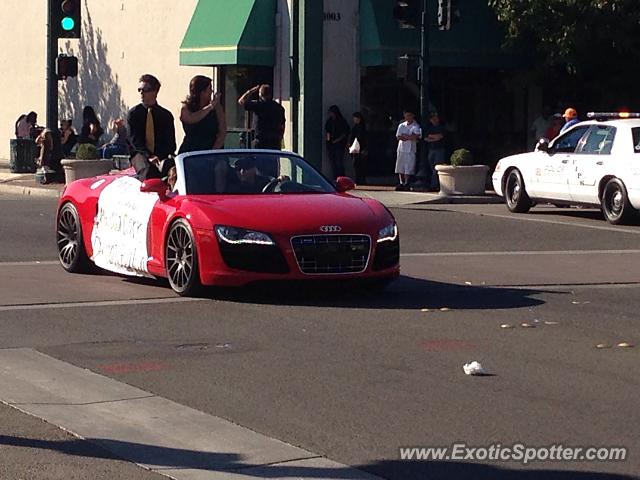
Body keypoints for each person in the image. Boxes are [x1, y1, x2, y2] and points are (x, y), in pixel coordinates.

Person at [127, 73, 176, 180]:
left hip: (160, 154)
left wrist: (164, 158)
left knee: (173, 169)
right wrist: (149, 155)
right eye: (139, 90)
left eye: (145, 90)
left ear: (155, 91)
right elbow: (135, 141)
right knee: (148, 170)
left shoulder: (165, 115)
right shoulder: (134, 114)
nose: (142, 93)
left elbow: (171, 144)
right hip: (140, 153)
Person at [179, 75, 227, 153]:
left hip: (211, 150)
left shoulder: (217, 107)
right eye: (209, 89)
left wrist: (213, 151)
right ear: (202, 92)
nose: (211, 92)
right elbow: (191, 119)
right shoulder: (186, 107)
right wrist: (210, 107)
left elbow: (222, 131)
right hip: (190, 150)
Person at [238, 84, 285, 150]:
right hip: (274, 142)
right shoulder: (279, 108)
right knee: (273, 160)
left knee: (259, 160)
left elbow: (241, 101)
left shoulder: (258, 105)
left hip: (260, 141)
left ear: (260, 94)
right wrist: (280, 137)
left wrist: (251, 91)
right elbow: (282, 125)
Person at [395, 109, 422, 191]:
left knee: (408, 167)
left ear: (413, 116)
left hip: (410, 149)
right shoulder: (401, 125)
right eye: (406, 115)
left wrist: (406, 136)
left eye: (409, 115)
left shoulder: (416, 126)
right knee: (400, 166)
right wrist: (409, 137)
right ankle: (401, 182)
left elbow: (415, 137)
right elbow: (398, 137)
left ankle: (407, 183)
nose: (408, 117)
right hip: (401, 149)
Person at [325, 105, 350, 178]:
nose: (331, 114)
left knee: (339, 162)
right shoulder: (329, 121)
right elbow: (327, 132)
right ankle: (335, 177)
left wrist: (337, 140)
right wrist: (328, 141)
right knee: (333, 162)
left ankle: (342, 177)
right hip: (331, 145)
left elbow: (345, 133)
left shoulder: (341, 121)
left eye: (332, 113)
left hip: (339, 145)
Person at [424, 112, 446, 191]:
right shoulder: (429, 128)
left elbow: (440, 136)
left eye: (435, 118)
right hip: (431, 150)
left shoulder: (441, 127)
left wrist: (432, 137)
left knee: (437, 168)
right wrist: (434, 138)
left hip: (439, 150)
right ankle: (434, 184)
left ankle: (434, 185)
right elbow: (426, 138)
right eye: (432, 118)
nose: (434, 120)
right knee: (432, 168)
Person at [349, 112, 367, 185]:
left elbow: (364, 138)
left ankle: (361, 180)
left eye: (355, 118)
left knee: (360, 165)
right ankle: (358, 179)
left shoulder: (362, 128)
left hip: (361, 148)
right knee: (356, 164)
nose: (354, 119)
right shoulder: (355, 127)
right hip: (355, 148)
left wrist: (364, 148)